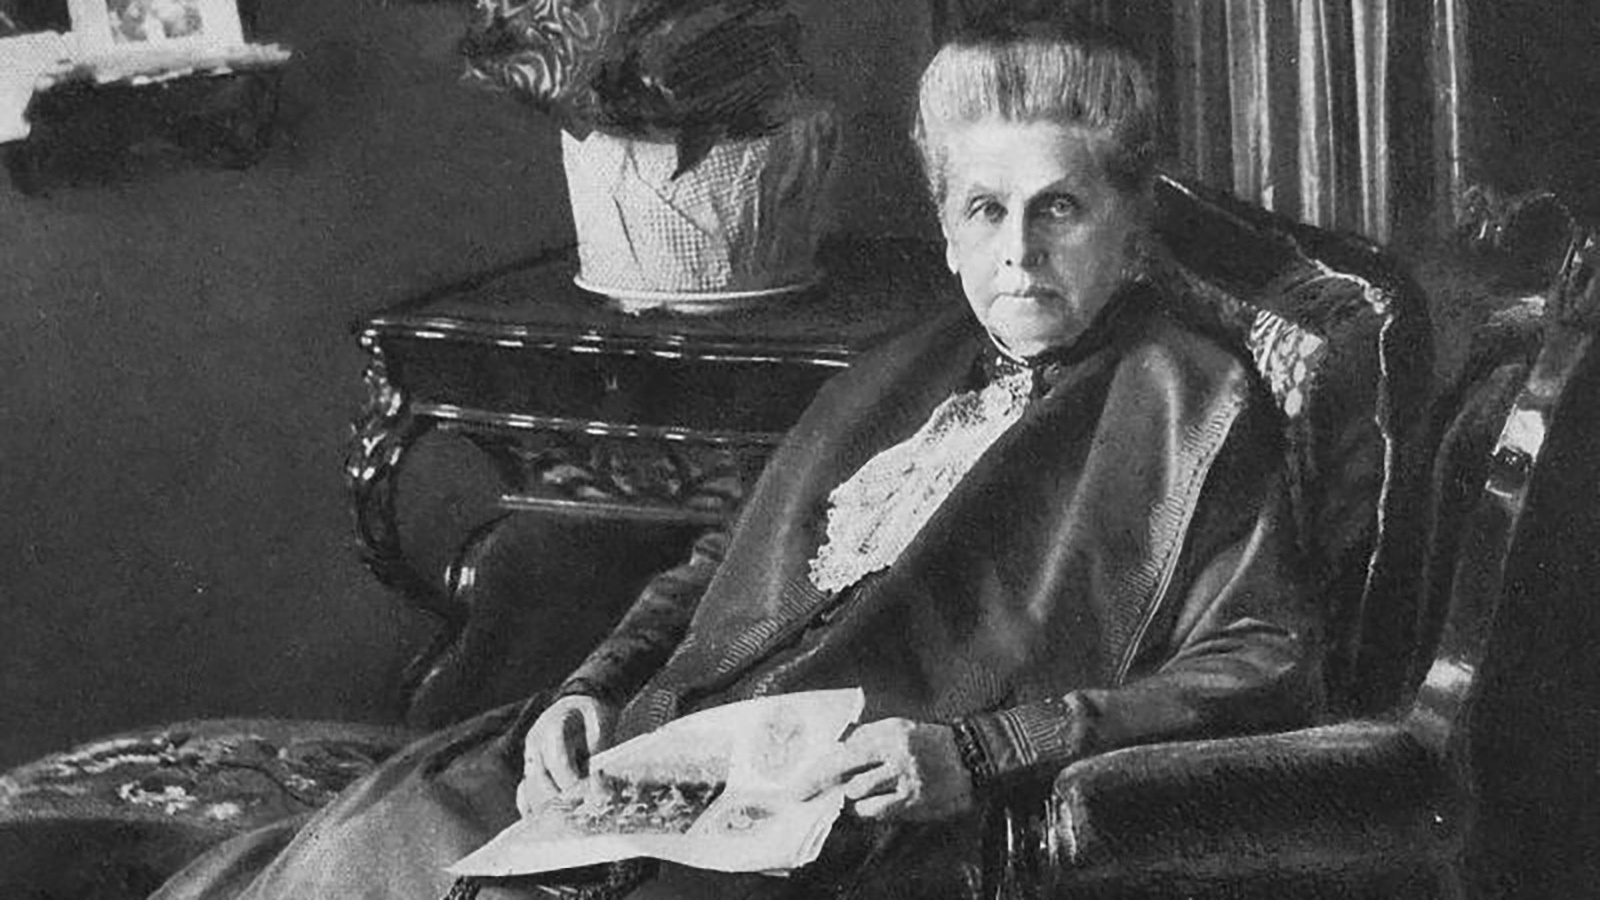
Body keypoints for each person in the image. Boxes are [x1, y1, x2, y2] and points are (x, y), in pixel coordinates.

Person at [152, 11, 1324, 900]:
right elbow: (726, 564)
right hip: (669, 751)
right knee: (376, 846)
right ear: (945, 230)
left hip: (867, 822)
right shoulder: (902, 367)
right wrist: (588, 688)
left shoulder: (1191, 400)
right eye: (984, 210)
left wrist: (982, 751)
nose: (1017, 251)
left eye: (1058, 209)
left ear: (1129, 228)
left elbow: (1261, 662)